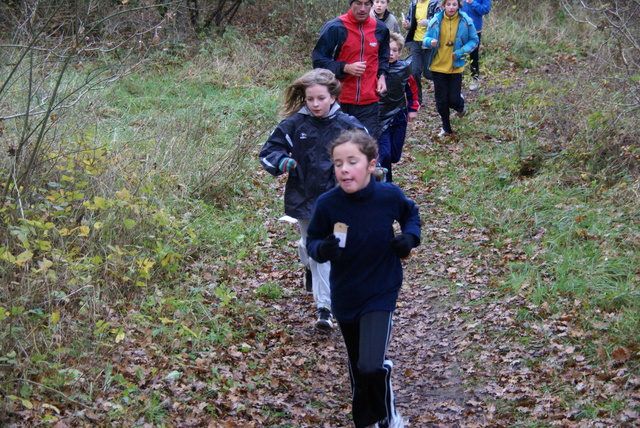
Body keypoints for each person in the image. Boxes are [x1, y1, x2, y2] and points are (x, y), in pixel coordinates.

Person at [306, 129, 421, 428]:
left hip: (381, 287)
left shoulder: (388, 195)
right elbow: (313, 242)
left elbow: (411, 214)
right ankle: (365, 420)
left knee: (371, 364)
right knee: (359, 365)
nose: (344, 169)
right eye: (338, 163)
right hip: (346, 292)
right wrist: (323, 248)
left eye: (352, 161)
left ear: (371, 164)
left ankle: (387, 416)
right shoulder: (328, 204)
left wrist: (409, 237)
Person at [259, 69, 366, 330]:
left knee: (333, 250)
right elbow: (268, 151)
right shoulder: (294, 124)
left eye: (320, 98)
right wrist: (283, 161)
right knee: (312, 250)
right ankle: (308, 263)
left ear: (332, 97)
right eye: (310, 99)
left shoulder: (348, 124)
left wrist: (374, 171)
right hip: (305, 199)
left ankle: (325, 308)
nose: (315, 104)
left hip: (341, 202)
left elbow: (368, 154)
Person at [312, 0, 390, 139]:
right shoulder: (335, 27)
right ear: (350, 4)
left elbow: (384, 57)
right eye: (358, 3)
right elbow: (318, 62)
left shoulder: (381, 28)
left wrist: (382, 76)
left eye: (367, 4)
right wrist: (345, 67)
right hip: (339, 101)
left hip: (369, 102)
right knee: (337, 148)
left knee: (365, 149)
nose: (362, 8)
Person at [422, 0, 478, 136]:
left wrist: (461, 52)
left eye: (454, 4)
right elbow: (425, 39)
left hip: (455, 66)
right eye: (448, 4)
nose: (451, 7)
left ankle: (460, 104)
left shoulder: (465, 20)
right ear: (443, 5)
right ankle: (446, 128)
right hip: (438, 65)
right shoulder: (436, 20)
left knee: (453, 100)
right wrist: (430, 42)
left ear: (459, 5)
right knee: (441, 100)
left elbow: (474, 40)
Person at [377, 32, 420, 183]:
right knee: (385, 154)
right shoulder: (375, 69)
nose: (391, 53)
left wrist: (413, 108)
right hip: (380, 118)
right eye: (387, 50)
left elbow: (412, 89)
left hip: (399, 115)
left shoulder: (403, 69)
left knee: (394, 155)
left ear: (399, 52)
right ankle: (385, 184)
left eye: (394, 50)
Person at [401, 0, 441, 105]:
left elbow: (440, 20)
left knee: (428, 73)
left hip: (430, 42)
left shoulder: (434, 3)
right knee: (415, 72)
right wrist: (406, 25)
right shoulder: (413, 4)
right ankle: (417, 100)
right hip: (416, 41)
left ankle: (442, 94)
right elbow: (410, 23)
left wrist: (427, 23)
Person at [463, 0, 491, 90]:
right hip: (459, 28)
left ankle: (474, 78)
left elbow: (485, 10)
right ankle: (456, 79)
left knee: (473, 55)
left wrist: (472, 3)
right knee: (457, 53)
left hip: (475, 29)